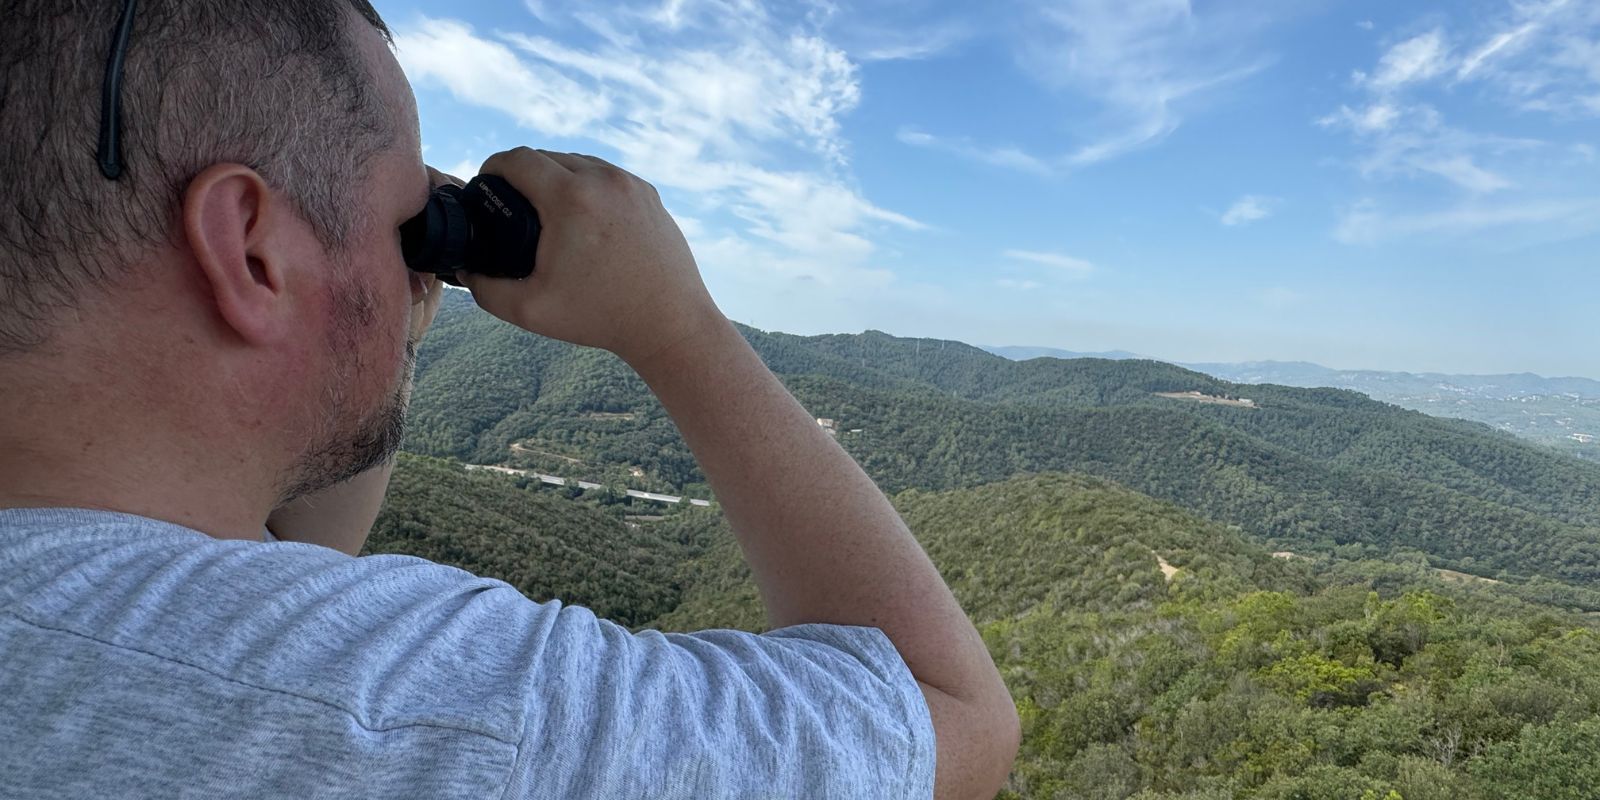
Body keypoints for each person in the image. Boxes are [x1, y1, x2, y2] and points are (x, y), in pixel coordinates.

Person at [0, 1, 1020, 798]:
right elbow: (950, 716)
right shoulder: (435, 713)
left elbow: (269, 580)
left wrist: (374, 307)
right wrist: (679, 327)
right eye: (410, 219)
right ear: (252, 248)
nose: (420, 260)